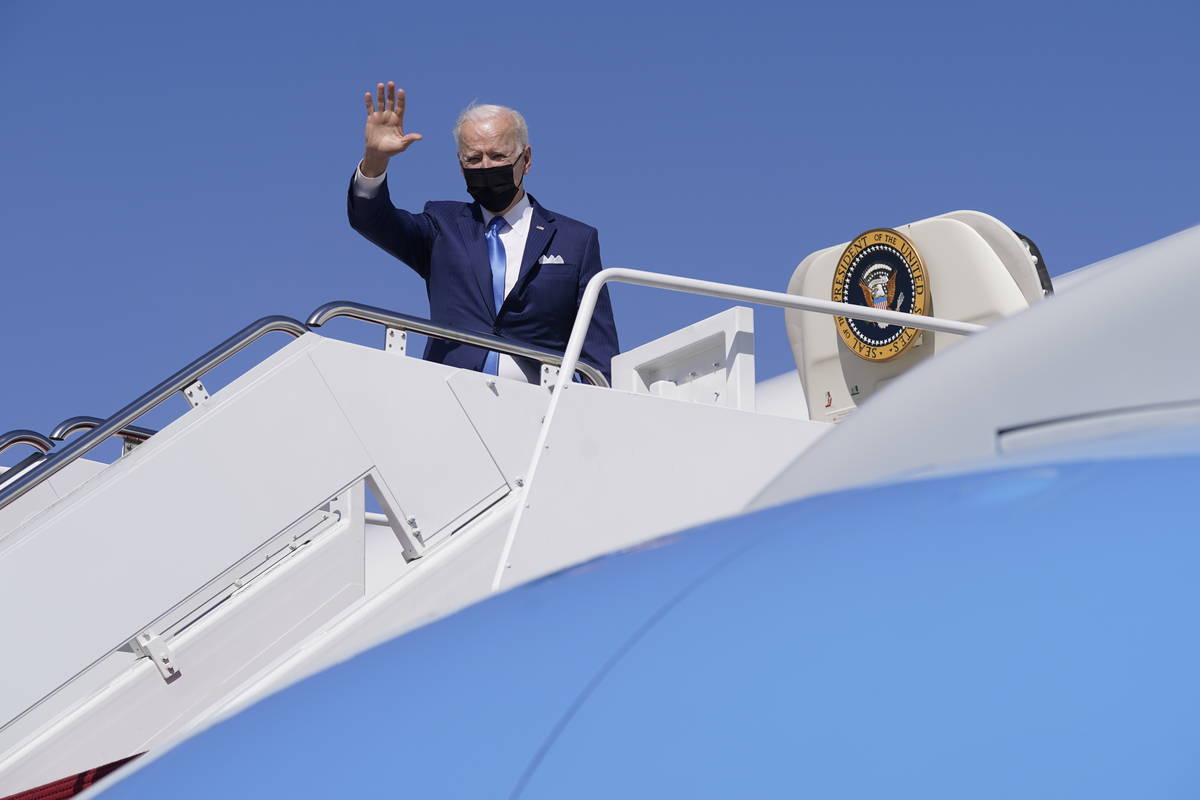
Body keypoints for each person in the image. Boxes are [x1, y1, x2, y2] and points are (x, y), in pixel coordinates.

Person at [347, 82, 619, 384]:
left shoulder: (575, 240)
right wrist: (375, 161)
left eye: (498, 156)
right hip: (452, 401)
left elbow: (598, 350)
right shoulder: (442, 225)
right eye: (474, 159)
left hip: (541, 409)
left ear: (526, 160)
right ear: (461, 167)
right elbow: (371, 219)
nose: (486, 166)